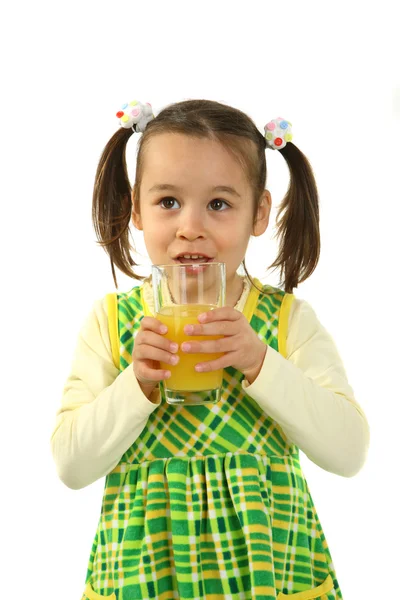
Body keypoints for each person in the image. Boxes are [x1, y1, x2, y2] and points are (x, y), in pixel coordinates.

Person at [50, 98, 370, 600]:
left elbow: (349, 451)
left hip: (268, 577)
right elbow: (71, 465)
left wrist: (260, 362)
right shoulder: (111, 324)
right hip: (146, 575)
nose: (190, 226)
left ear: (258, 212)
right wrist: (135, 384)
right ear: (136, 207)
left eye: (219, 204)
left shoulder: (287, 324)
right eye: (168, 202)